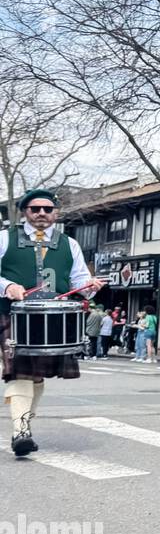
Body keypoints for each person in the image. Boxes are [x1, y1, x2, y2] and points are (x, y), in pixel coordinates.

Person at [1, 188, 104, 455]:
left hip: (53, 321)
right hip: (12, 315)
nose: (42, 214)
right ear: (25, 211)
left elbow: (79, 281)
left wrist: (90, 286)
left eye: (48, 209)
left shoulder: (69, 244)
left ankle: (23, 428)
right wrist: (8, 285)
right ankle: (20, 432)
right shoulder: (4, 238)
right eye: (35, 209)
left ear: (55, 213)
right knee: (20, 372)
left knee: (36, 378)